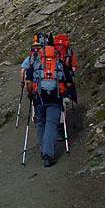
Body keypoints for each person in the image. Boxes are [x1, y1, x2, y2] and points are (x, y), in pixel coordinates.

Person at [25, 38, 73, 167]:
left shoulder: (36, 63)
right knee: (52, 124)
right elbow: (68, 82)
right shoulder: (60, 63)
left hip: (38, 98)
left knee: (40, 123)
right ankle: (48, 154)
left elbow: (29, 82)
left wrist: (30, 95)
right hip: (55, 98)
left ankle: (44, 151)